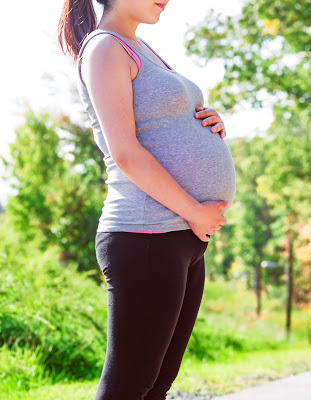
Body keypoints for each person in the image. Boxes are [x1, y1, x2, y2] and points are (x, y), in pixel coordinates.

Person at [57, 0, 237, 398]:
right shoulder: (105, 48)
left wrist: (210, 122)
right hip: (146, 235)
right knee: (128, 385)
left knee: (156, 385)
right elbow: (124, 151)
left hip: (180, 238)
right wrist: (194, 211)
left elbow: (161, 123)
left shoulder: (138, 46)